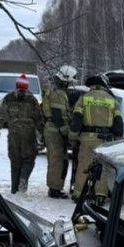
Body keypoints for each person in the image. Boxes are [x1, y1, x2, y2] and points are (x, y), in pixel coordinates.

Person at [70, 74, 123, 203]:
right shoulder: (112, 100)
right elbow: (118, 123)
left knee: (84, 165)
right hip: (106, 141)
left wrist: (72, 137)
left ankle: (78, 195)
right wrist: (118, 138)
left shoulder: (84, 98)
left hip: (88, 138)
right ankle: (100, 196)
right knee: (103, 168)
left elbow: (76, 120)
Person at [0, 74, 44, 194]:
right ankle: (23, 179)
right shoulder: (32, 100)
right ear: (27, 87)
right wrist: (42, 133)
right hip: (28, 134)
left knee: (15, 161)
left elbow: (1, 116)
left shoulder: (8, 98)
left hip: (13, 134)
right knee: (29, 159)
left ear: (16, 86)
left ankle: (14, 188)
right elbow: (38, 118)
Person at [42, 65, 78, 199]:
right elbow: (59, 116)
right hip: (55, 131)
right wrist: (68, 134)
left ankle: (56, 187)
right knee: (57, 161)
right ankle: (54, 189)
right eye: (70, 82)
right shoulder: (58, 94)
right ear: (65, 80)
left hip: (53, 130)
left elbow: (62, 112)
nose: (70, 85)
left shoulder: (55, 91)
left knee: (60, 160)